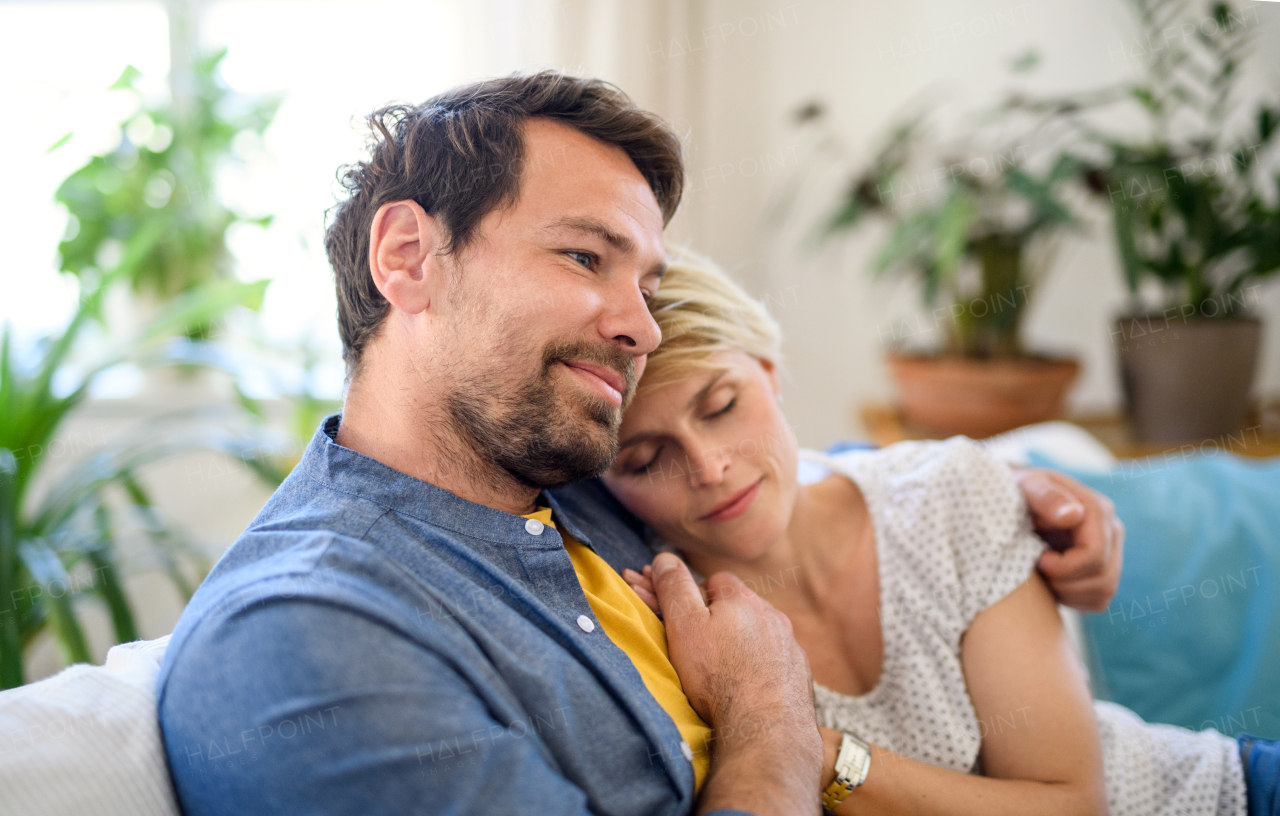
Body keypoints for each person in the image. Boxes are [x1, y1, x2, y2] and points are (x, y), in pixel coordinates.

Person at [156, 71, 1124, 816]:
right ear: (407, 256)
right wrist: (769, 723)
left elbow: (779, 469)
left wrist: (1018, 489)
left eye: (647, 286)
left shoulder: (563, 483)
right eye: (583, 256)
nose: (642, 329)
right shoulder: (312, 637)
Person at [603, 250, 1280, 816]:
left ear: (771, 375)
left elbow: (1071, 805)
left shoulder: (946, 492)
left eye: (721, 405)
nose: (710, 468)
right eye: (645, 459)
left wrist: (806, 746)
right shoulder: (675, 623)